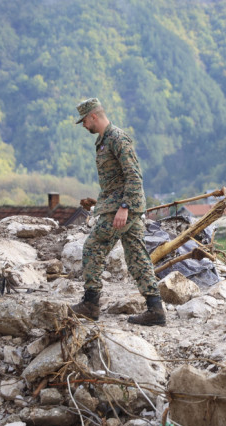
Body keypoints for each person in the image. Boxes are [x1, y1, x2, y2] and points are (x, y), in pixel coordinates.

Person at [70, 97, 166, 326]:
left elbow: (134, 175)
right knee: (137, 256)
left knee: (93, 247)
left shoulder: (117, 138)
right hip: (119, 206)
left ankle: (90, 304)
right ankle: (156, 310)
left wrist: (124, 208)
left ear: (93, 116)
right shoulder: (104, 140)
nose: (83, 125)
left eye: (84, 120)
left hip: (122, 208)